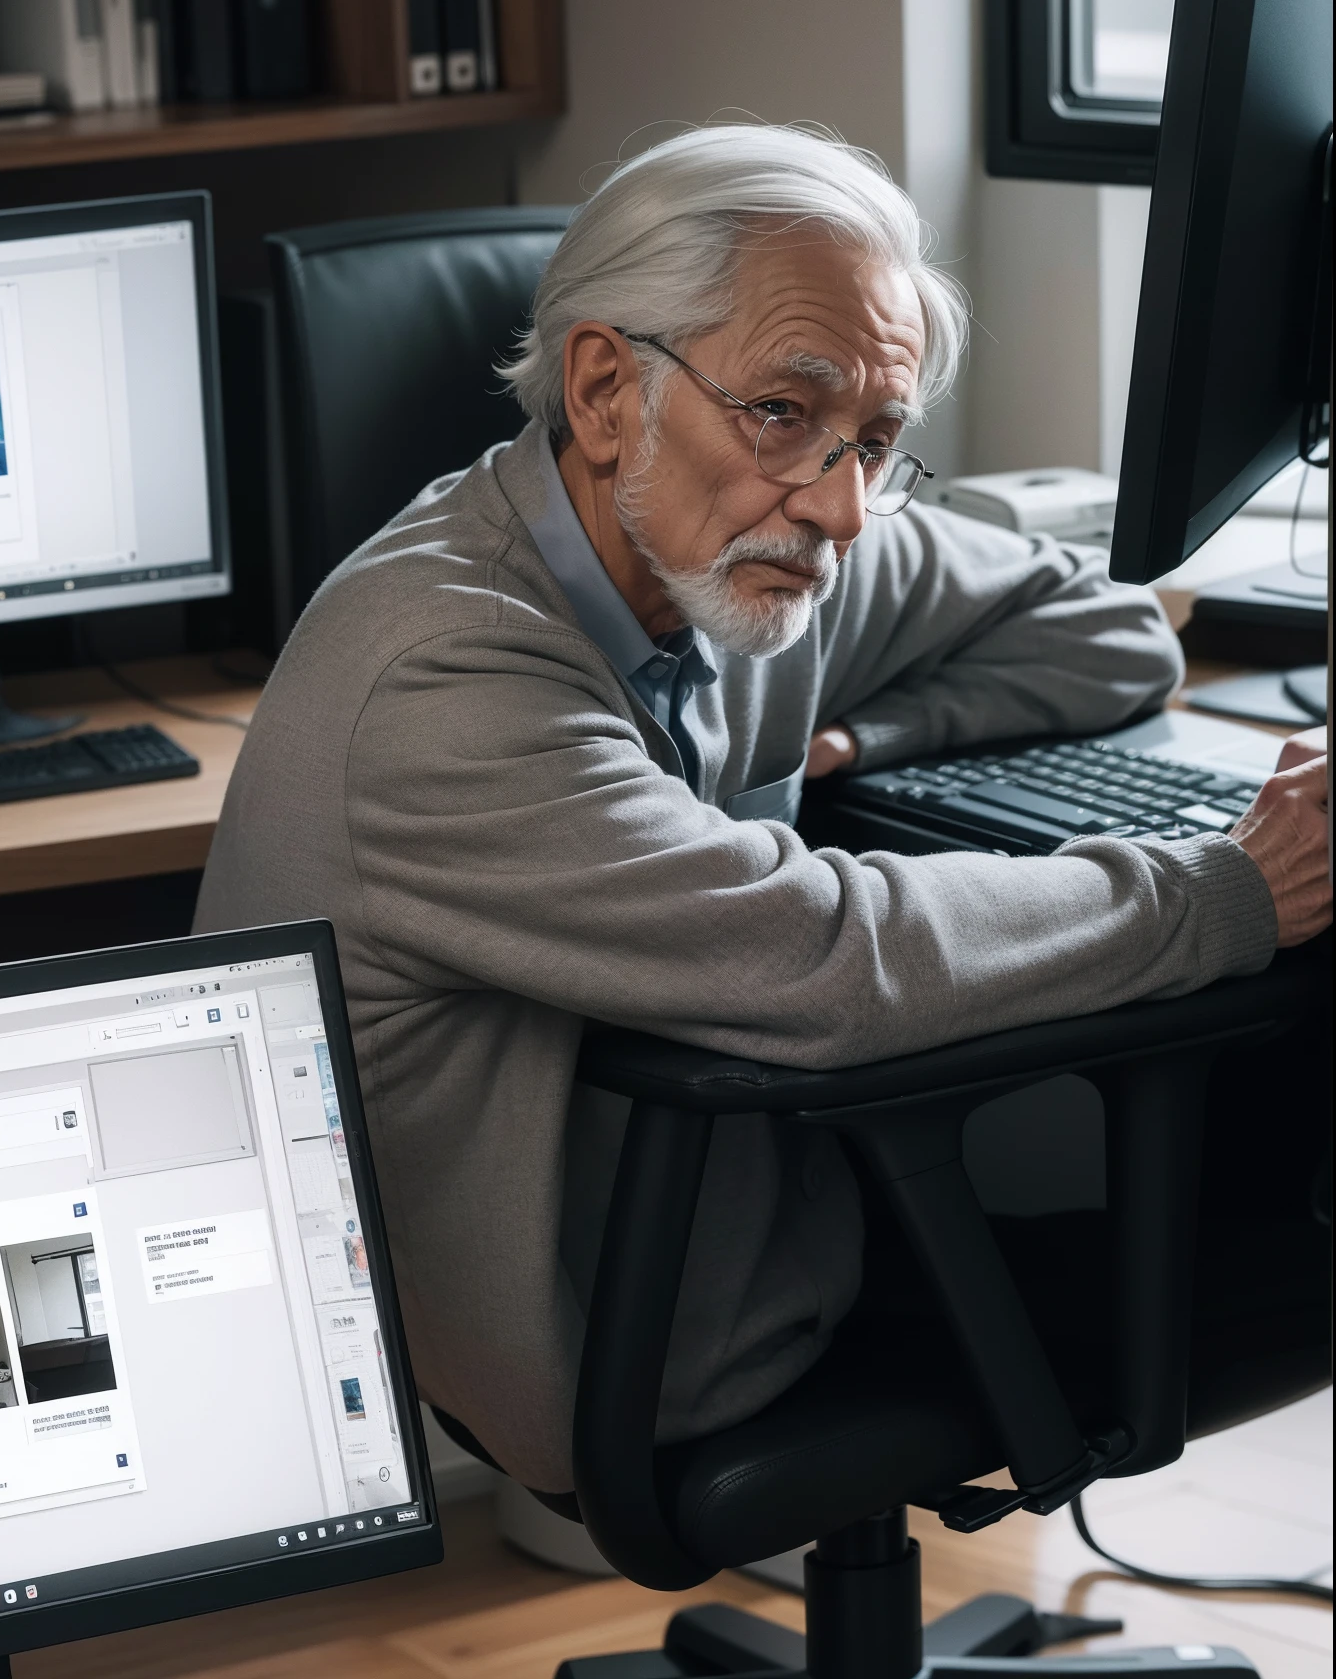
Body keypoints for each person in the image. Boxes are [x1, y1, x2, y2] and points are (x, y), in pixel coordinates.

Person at [195, 124, 1330, 1496]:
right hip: (643, 1358)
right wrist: (1232, 889)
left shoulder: (740, 550)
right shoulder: (444, 674)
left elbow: (1107, 636)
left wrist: (874, 731)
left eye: (878, 440)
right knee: (1292, 1239)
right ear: (607, 390)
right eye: (786, 414)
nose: (844, 508)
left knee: (1244, 1185)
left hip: (761, 1230)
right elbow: (819, 960)